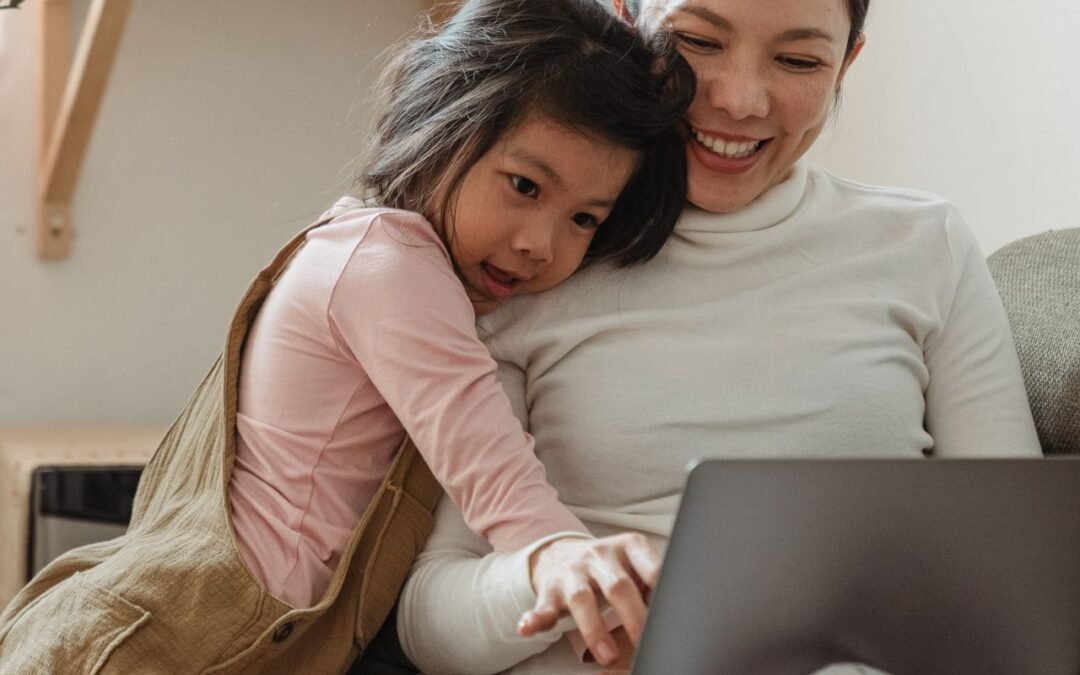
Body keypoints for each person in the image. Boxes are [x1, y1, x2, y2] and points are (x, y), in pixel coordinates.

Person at [0, 1, 692, 672]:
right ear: (444, 126)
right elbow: (492, 467)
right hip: (153, 647)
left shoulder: (372, 253)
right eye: (523, 185)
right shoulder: (389, 268)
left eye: (584, 220)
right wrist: (568, 555)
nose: (540, 243)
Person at [394, 0, 1043, 672]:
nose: (738, 100)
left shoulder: (925, 245)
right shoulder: (534, 258)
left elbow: (1019, 574)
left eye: (798, 60)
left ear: (846, 62)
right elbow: (427, 621)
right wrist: (552, 575)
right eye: (697, 41)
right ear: (626, 22)